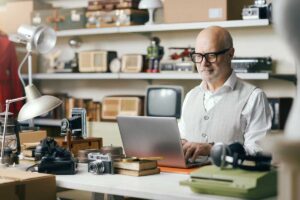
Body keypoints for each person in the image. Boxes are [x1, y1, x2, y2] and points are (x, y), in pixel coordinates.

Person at [178, 26, 272, 162]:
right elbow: (183, 140)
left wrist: (213, 150)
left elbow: (259, 153)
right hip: (189, 179)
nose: (204, 63)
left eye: (211, 55)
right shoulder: (190, 96)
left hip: (232, 181)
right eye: (198, 56)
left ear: (230, 54)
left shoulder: (254, 97)